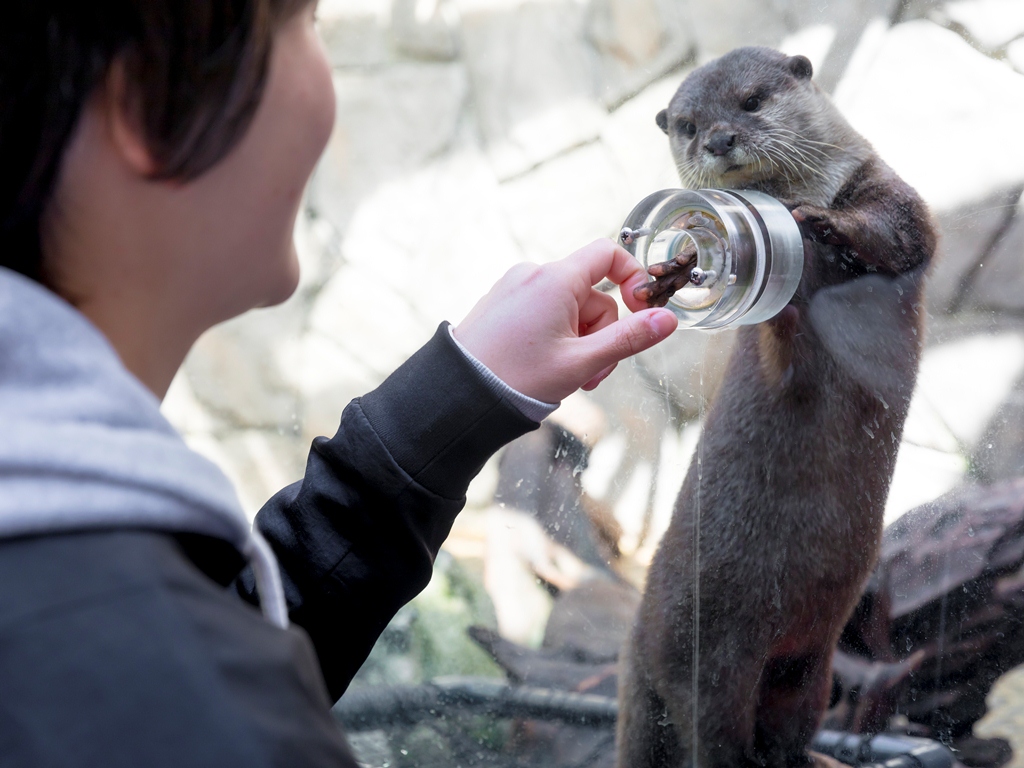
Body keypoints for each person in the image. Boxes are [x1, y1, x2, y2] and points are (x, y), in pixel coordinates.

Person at [0, 1, 678, 765]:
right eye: (304, 21)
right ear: (146, 103)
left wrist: (463, 393)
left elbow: (248, 627)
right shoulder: (194, 703)